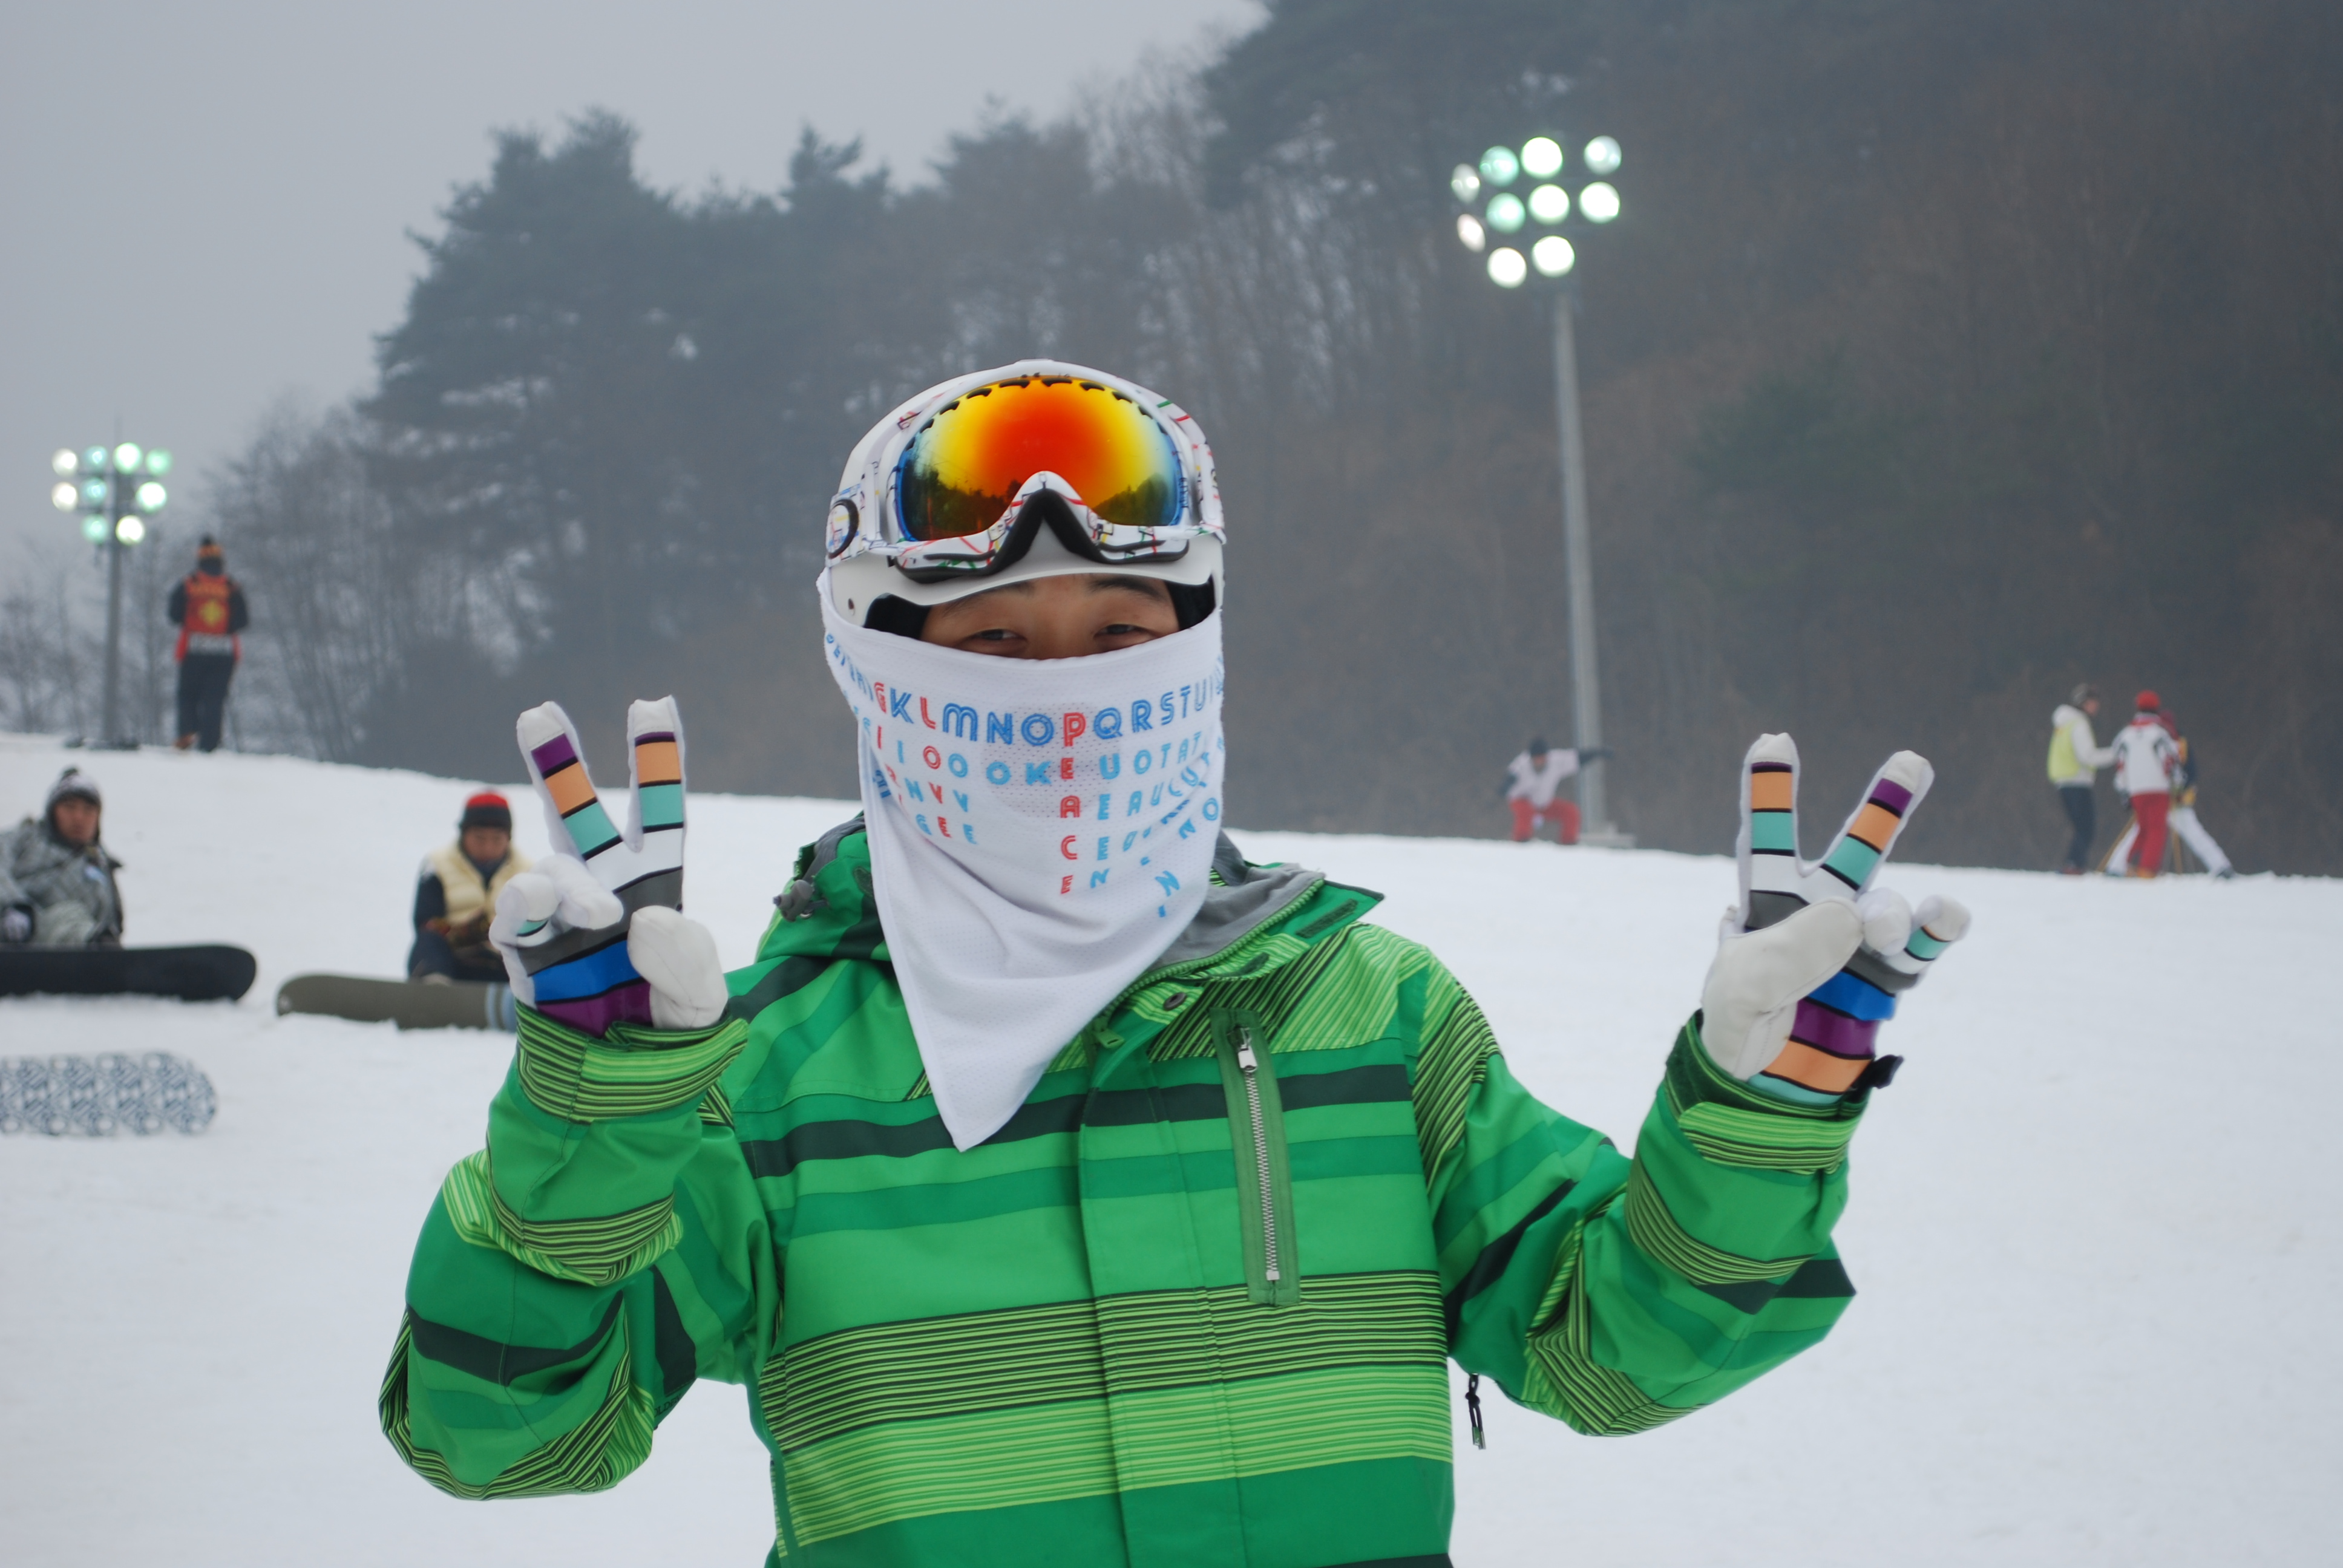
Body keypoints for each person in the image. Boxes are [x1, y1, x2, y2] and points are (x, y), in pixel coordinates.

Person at [379, 362, 1971, 1566]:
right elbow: (500, 1439)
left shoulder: (1373, 1020)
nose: (1064, 693)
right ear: (880, 674)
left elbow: (1618, 1352)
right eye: (995, 642)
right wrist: (594, 1122)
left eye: (1118, 635)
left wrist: (1764, 1115)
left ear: (1195, 649)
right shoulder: (770, 1081)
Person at [407, 792, 531, 983]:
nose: (488, 848)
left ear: (508, 838)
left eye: (497, 839)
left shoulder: (529, 873)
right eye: (480, 839)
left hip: (505, 964)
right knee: (428, 941)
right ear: (464, 834)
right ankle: (433, 989)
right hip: (453, 960)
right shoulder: (437, 866)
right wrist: (465, 933)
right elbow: (425, 922)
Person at [0, 768, 123, 947]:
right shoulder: (26, 838)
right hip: (13, 936)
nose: (78, 818)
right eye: (69, 807)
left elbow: (112, 922)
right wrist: (13, 905)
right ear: (52, 812)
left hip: (75, 947)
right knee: (69, 917)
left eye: (88, 810)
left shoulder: (99, 864)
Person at [2106, 708, 2233, 878]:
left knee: (2145, 831)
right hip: (2164, 797)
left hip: (2173, 799)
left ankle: (2116, 868)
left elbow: (2188, 770)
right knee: (2183, 833)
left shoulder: (2170, 741)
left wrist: (2180, 787)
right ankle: (2221, 866)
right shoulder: (2167, 740)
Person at [168, 535, 248, 753]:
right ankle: (210, 744)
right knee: (215, 698)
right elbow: (242, 621)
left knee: (188, 695)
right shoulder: (231, 587)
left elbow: (174, 615)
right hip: (224, 651)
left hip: (193, 649)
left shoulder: (189, 584)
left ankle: (186, 733)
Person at [2107, 688, 2180, 877]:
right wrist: (2178, 783)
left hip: (2135, 789)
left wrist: (2123, 791)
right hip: (2158, 787)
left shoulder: (2125, 734)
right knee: (2157, 829)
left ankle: (2131, 864)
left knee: (2143, 828)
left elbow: (2120, 764)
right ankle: (2147, 868)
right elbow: (2170, 759)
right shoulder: (2159, 733)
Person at [2045, 682, 2115, 874]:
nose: (2097, 706)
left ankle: (2075, 864)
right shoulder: (2079, 724)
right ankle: (2074, 865)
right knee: (2086, 828)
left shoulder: (2064, 723)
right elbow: (2088, 756)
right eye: (2093, 701)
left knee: (2081, 827)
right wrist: (2116, 754)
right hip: (2077, 782)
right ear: (2083, 703)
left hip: (2064, 781)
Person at [1501, 736, 1610, 843]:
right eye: (1537, 758)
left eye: (1542, 757)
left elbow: (1578, 758)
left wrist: (1598, 753)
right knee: (1526, 811)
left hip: (1544, 803)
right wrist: (1506, 785)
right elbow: (1511, 776)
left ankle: (1569, 842)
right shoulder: (1522, 763)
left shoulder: (1556, 761)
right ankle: (1521, 840)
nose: (1540, 761)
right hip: (1521, 801)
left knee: (1571, 811)